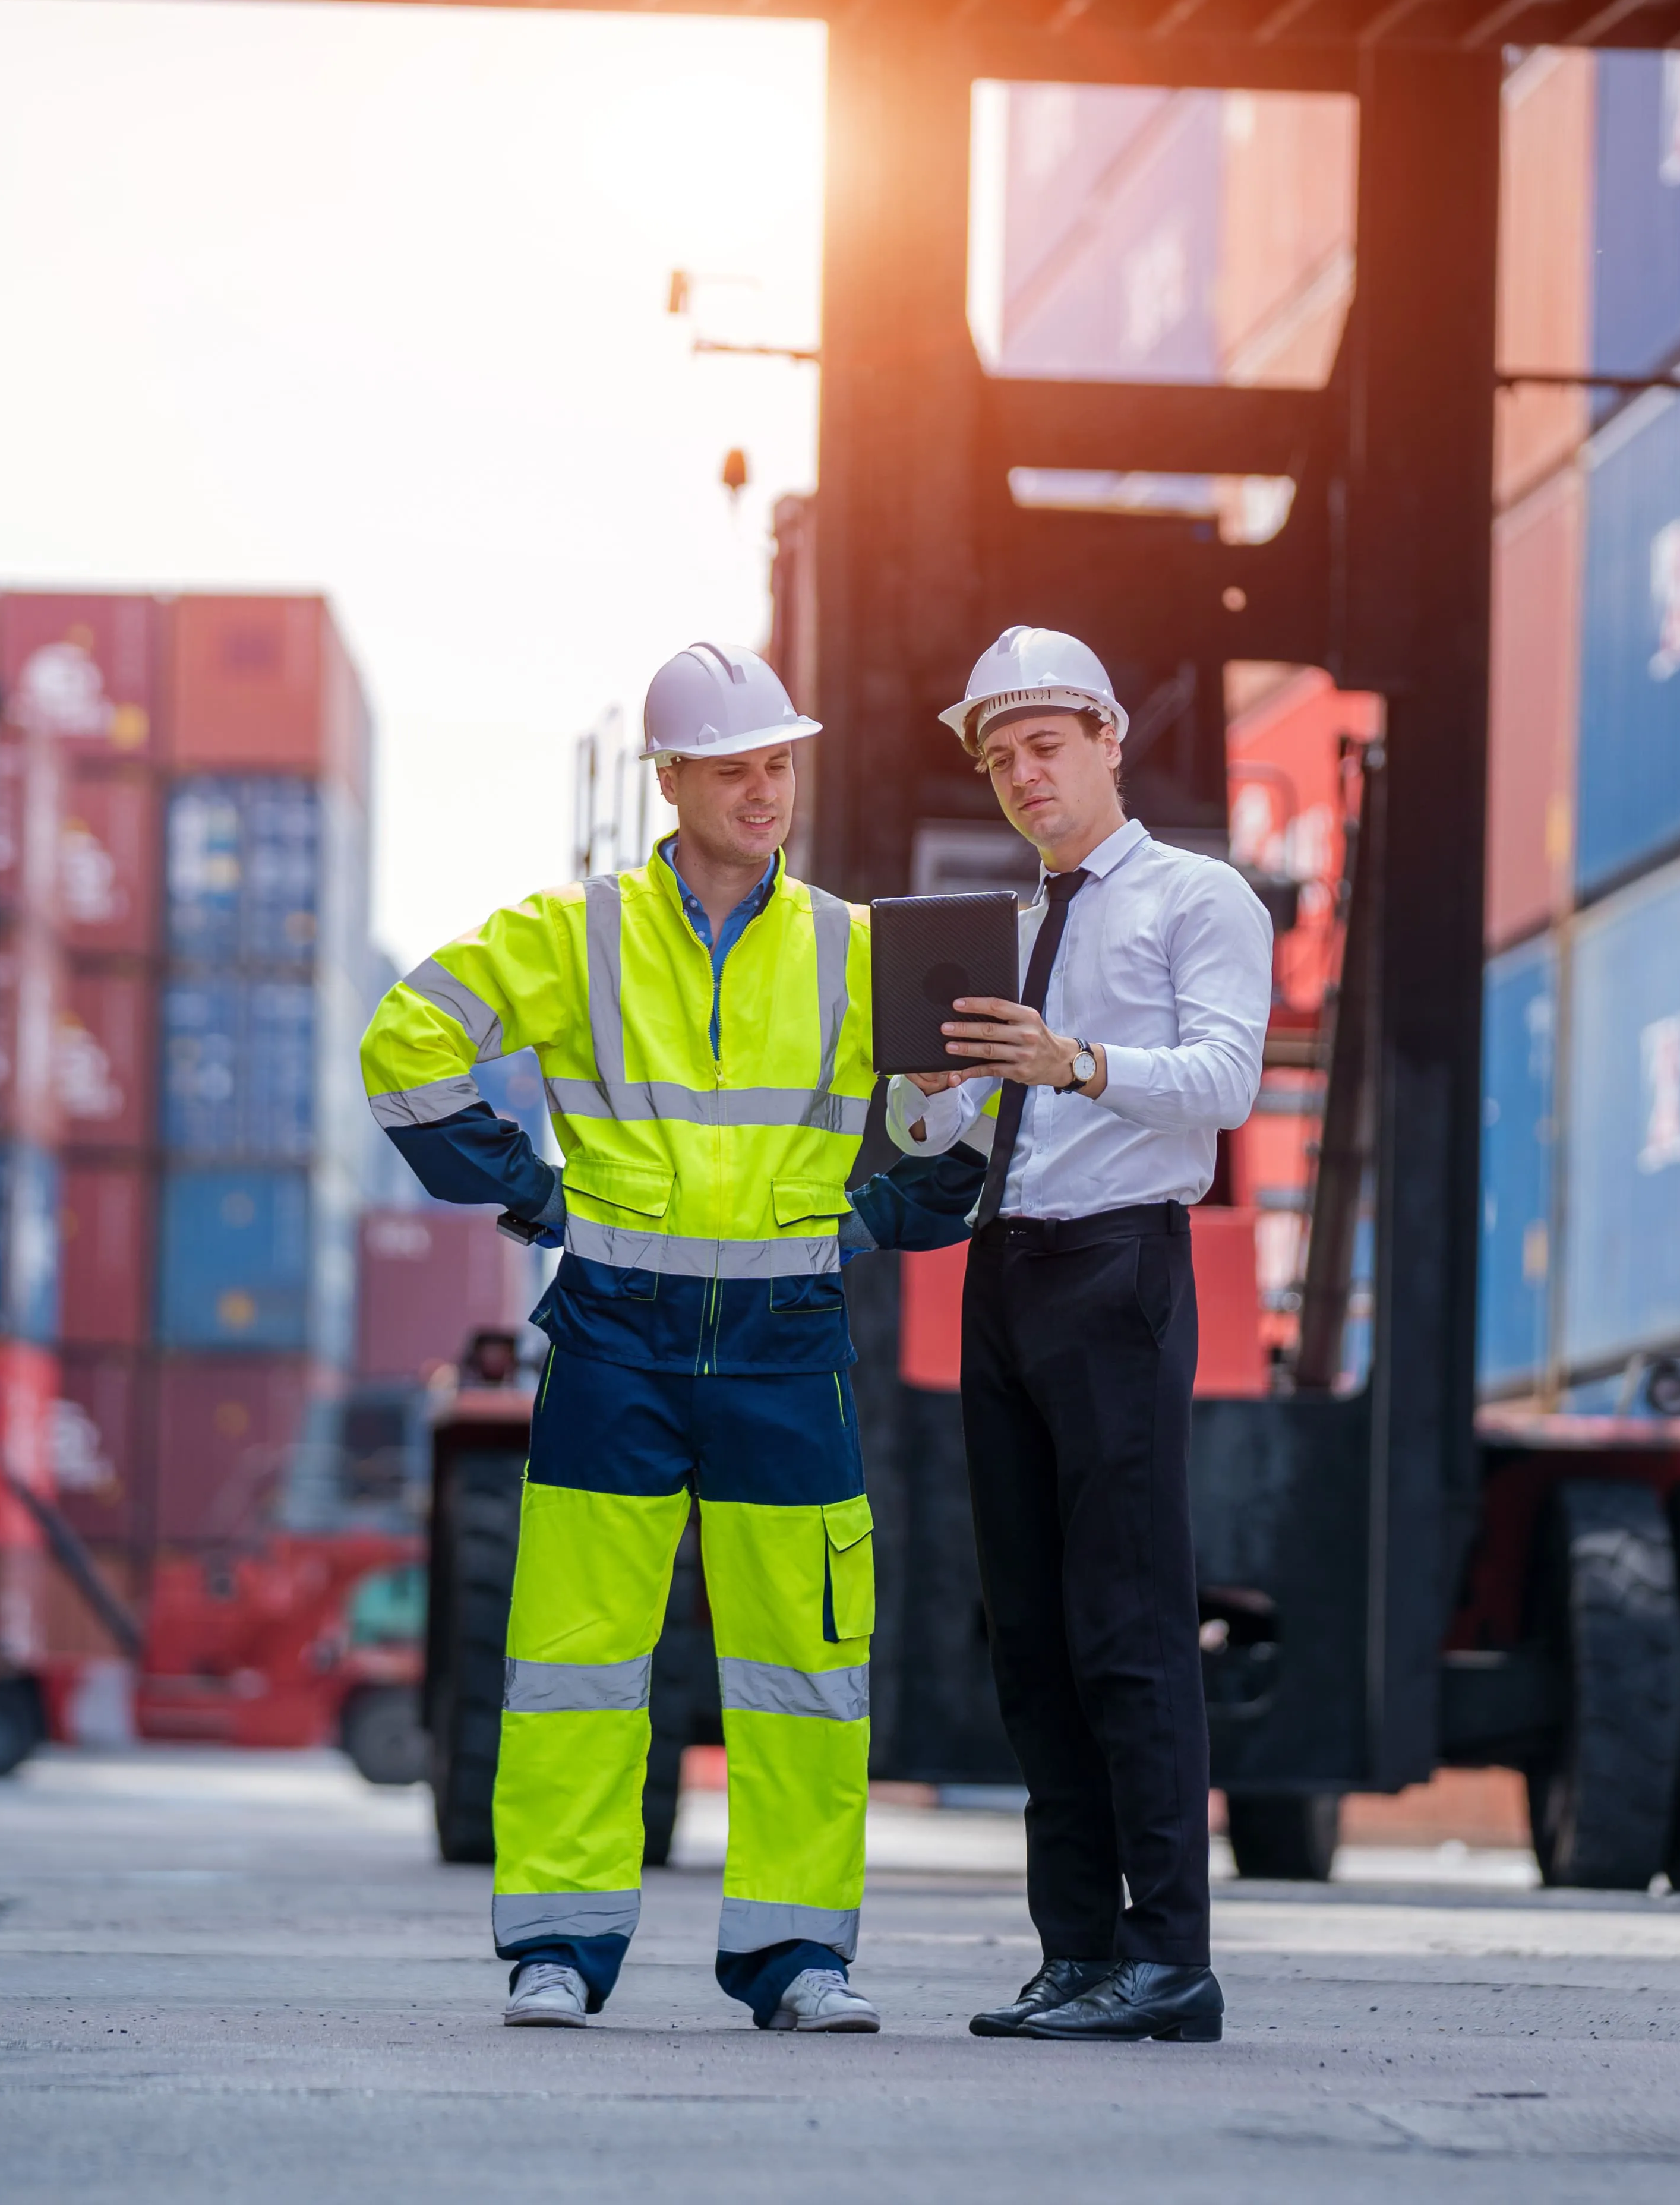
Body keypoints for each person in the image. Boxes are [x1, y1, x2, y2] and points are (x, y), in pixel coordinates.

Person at [360, 642, 983, 2035]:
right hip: (616, 1339)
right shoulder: (577, 934)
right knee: (578, 1656)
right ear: (676, 779)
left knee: (804, 1667)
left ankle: (797, 1957)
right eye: (737, 768)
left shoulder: (857, 947)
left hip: (785, 1342)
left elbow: (961, 1149)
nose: (767, 792)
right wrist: (525, 1188)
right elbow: (404, 1041)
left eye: (781, 764)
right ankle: (559, 1945)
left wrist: (900, 1173)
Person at [892, 626, 1273, 2044]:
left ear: (1112, 737)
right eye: (1000, 757)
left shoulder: (1198, 897)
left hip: (1120, 1273)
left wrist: (1074, 1059)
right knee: (1032, 1634)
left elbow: (1227, 1083)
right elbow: (946, 1135)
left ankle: (1172, 1955)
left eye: (1045, 745)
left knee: (1130, 1624)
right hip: (1004, 1272)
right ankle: (1078, 1949)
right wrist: (931, 1090)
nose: (1023, 776)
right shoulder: (1000, 931)